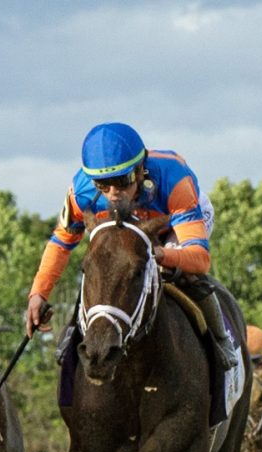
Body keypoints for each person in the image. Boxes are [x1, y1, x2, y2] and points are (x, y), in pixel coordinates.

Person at [24, 122, 237, 371]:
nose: (113, 194)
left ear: (139, 171)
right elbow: (61, 243)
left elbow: (199, 259)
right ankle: (75, 330)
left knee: (179, 273)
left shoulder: (174, 180)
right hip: (130, 225)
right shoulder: (81, 192)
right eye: (103, 186)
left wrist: (160, 254)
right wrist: (39, 293)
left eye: (122, 181)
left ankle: (220, 338)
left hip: (171, 222)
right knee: (103, 269)